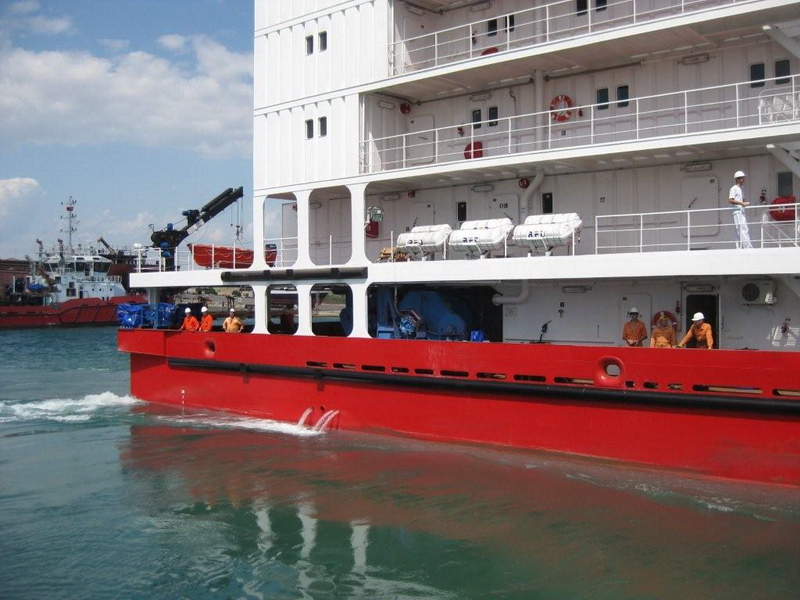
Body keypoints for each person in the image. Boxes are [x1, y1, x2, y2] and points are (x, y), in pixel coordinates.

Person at [729, 170, 752, 249]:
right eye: (742, 178)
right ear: (737, 179)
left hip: (741, 211)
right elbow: (730, 200)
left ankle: (745, 246)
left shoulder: (740, 189)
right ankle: (746, 247)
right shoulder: (734, 188)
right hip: (737, 211)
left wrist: (743, 202)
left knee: (744, 229)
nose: (743, 180)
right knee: (740, 229)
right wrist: (742, 203)